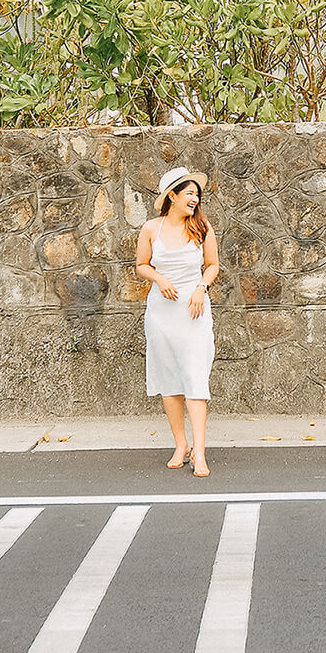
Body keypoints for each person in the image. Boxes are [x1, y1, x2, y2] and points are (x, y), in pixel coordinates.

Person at [136, 166, 221, 477]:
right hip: (161, 312)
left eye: (197, 194)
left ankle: (200, 452)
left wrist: (201, 287)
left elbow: (212, 266)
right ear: (171, 196)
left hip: (194, 310)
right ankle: (181, 444)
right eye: (189, 193)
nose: (195, 199)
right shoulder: (150, 229)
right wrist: (158, 278)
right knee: (169, 380)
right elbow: (141, 265)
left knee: (195, 377)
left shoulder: (202, 227)